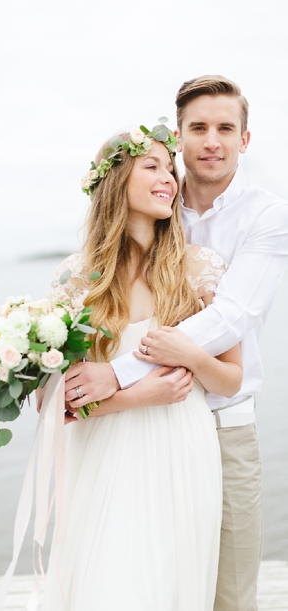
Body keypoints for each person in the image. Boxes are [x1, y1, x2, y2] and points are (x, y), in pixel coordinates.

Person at [63, 76, 288, 611]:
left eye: (226, 128)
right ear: (179, 136)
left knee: (227, 592)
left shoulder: (266, 215)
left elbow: (233, 317)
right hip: (131, 431)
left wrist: (118, 374)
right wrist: (124, 392)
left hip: (220, 420)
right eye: (199, 128)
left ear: (245, 139)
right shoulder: (155, 203)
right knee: (133, 579)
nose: (212, 140)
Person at [38, 123, 242, 610]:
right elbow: (52, 402)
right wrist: (136, 396)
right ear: (115, 183)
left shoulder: (199, 269)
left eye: (170, 169)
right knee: (108, 586)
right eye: (151, 166)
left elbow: (230, 379)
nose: (168, 177)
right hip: (104, 453)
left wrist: (192, 357)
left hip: (181, 446)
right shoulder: (76, 277)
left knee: (167, 585)